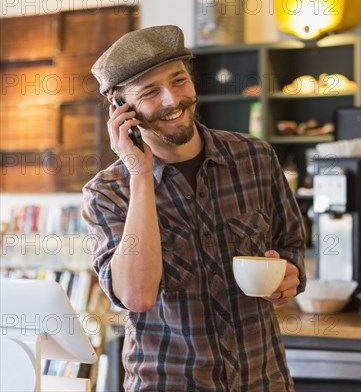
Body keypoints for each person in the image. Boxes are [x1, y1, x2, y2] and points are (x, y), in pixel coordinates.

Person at [82, 25, 306, 391]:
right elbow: (137, 296)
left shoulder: (256, 158)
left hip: (263, 380)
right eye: (151, 92)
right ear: (120, 108)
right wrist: (140, 176)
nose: (173, 100)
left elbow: (291, 247)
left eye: (179, 80)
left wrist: (289, 280)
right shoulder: (107, 192)